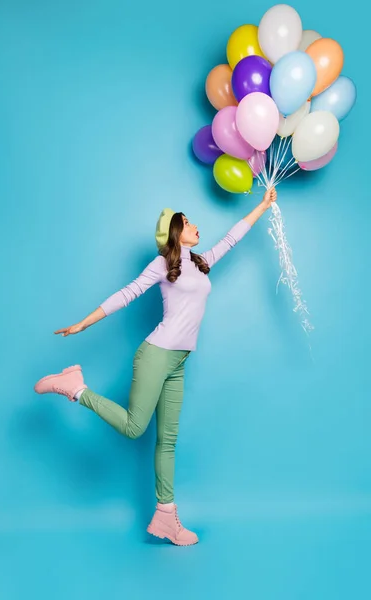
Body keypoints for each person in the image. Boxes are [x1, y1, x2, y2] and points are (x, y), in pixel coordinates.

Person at [34, 186, 277, 546]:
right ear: (175, 233)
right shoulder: (163, 264)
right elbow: (128, 293)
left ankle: (166, 517)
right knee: (135, 428)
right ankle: (75, 387)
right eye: (188, 222)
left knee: (167, 441)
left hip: (178, 361)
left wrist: (263, 205)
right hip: (155, 355)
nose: (195, 225)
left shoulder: (199, 262)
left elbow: (233, 237)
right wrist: (85, 323)